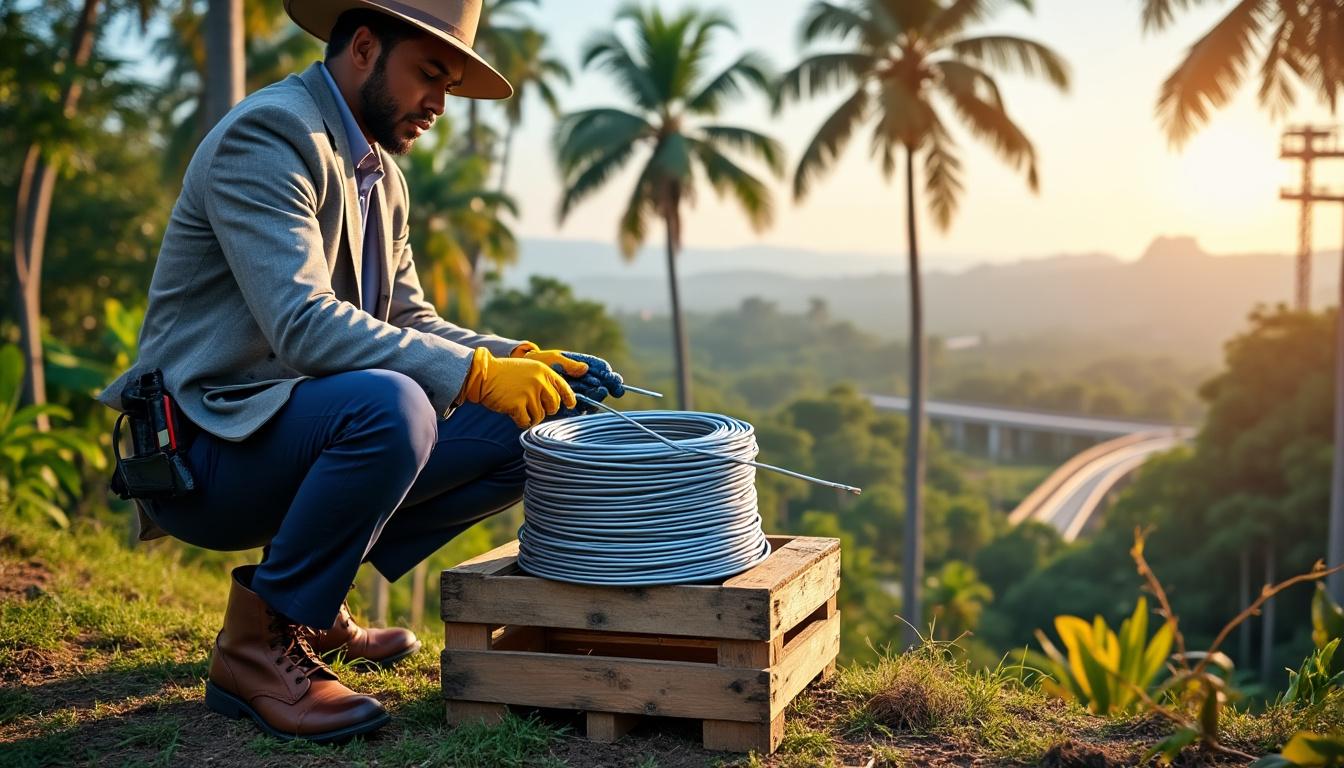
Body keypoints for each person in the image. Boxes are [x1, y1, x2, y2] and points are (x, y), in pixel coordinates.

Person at [97, 0, 624, 744]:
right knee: (392, 408)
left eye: (449, 87)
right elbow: (302, 323)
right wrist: (471, 375)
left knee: (540, 426)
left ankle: (314, 603)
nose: (439, 105)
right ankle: (255, 646)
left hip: (290, 431)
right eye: (430, 77)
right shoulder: (272, 134)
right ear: (366, 47)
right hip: (202, 451)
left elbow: (410, 322)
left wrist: (518, 359)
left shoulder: (382, 176)